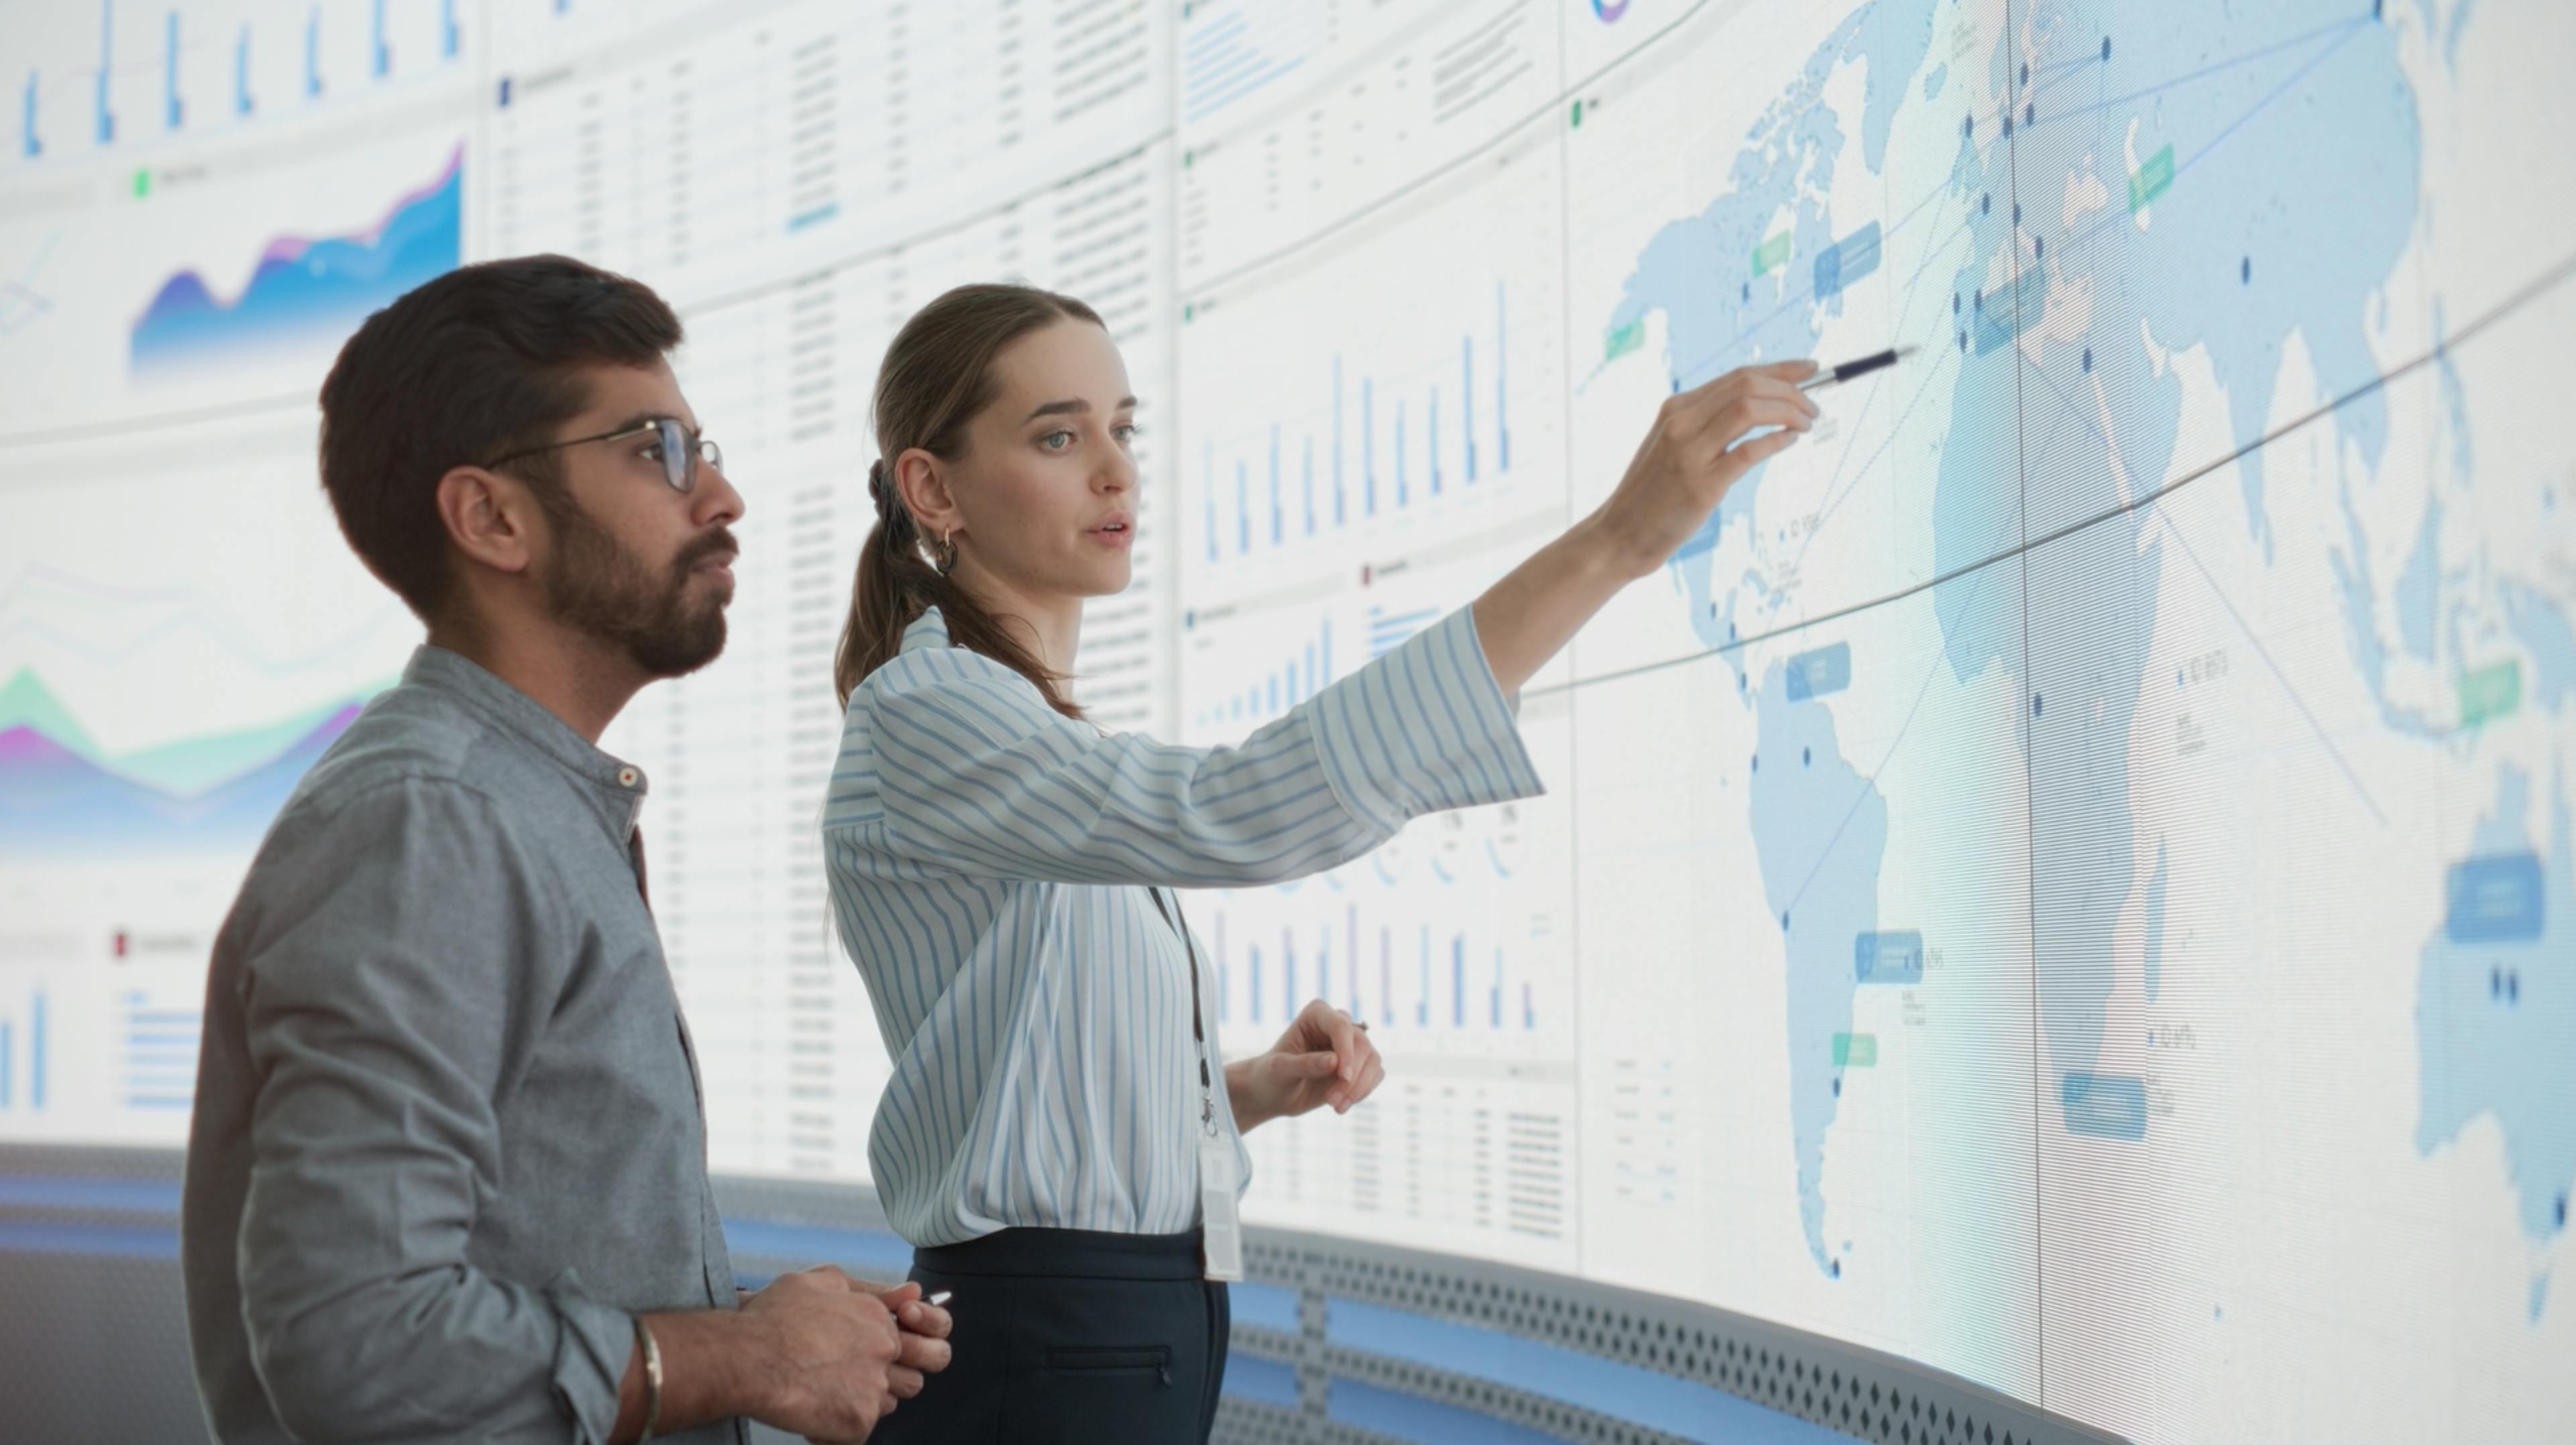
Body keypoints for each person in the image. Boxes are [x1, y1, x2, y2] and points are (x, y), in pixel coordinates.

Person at [820, 282, 1817, 1442]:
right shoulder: (931, 709)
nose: (1116, 470)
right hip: (1051, 1335)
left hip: (1119, 1328)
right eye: (1058, 434)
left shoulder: (1024, 730)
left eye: (1121, 428)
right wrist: (1615, 545)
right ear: (931, 488)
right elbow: (1234, 809)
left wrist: (1237, 1093)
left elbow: (1022, 1080)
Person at [181, 255, 953, 1445]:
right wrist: (741, 1353)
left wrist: (764, 1333)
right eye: (658, 450)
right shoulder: (432, 822)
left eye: (709, 445)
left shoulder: (515, 807)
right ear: (492, 517)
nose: (726, 497)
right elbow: (357, 1345)